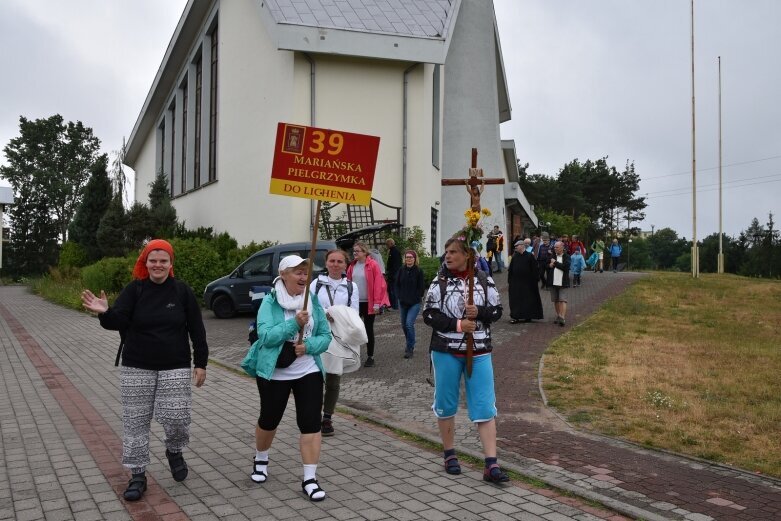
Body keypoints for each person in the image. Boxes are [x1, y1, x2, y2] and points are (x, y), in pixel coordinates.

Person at [80, 239, 207, 502]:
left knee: (177, 417)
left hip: (175, 365)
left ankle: (174, 450)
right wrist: (105, 312)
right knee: (135, 422)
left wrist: (201, 363)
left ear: (170, 264)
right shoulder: (135, 290)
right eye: (153, 260)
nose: (157, 265)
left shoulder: (182, 292)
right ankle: (138, 475)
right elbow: (117, 321)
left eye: (163, 260)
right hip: (137, 365)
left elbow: (197, 330)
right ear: (146, 263)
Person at [242, 255, 331, 502]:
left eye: (306, 272)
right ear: (283, 275)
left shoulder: (312, 300)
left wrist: (309, 346)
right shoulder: (270, 302)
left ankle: (310, 479)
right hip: (276, 371)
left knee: (311, 422)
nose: (304, 277)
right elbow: (267, 337)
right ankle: (261, 458)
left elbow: (326, 335)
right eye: (297, 272)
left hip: (308, 369)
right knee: (269, 419)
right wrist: (294, 324)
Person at [422, 237, 509, 484]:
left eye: (453, 252)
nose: (447, 256)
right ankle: (450, 454)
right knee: (446, 403)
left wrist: (479, 312)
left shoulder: (482, 279)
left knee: (484, 406)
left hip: (479, 351)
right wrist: (459, 324)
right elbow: (429, 315)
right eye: (446, 252)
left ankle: (491, 464)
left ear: (467, 255)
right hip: (446, 351)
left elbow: (497, 311)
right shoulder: (439, 282)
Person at [310, 249, 359, 437]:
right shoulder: (316, 284)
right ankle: (313, 414)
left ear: (345, 265)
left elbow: (352, 312)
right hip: (318, 335)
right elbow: (311, 306)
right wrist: (325, 314)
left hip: (338, 337)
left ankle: (327, 417)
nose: (335, 264)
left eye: (339, 261)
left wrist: (336, 315)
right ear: (326, 263)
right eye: (332, 261)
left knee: (333, 379)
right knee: (314, 378)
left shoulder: (351, 287)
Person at [347, 241, 390, 367]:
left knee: (368, 329)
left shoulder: (372, 265)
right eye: (354, 251)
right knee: (354, 328)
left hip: (369, 303)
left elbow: (378, 285)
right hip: (355, 303)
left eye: (357, 251)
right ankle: (353, 354)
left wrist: (377, 303)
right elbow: (348, 284)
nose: (355, 253)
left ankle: (370, 356)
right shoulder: (352, 266)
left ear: (364, 252)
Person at [395, 249, 425, 359]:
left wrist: (416, 296)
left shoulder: (418, 271)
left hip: (414, 303)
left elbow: (421, 288)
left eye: (411, 257)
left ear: (415, 259)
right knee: (403, 325)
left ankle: (410, 347)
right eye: (407, 257)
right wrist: (399, 296)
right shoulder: (401, 270)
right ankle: (410, 342)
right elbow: (396, 284)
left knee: (409, 324)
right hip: (402, 302)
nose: (408, 259)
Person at [507, 239, 543, 323]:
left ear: (522, 246)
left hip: (528, 283)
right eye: (515, 246)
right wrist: (510, 280)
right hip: (516, 283)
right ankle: (515, 316)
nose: (515, 247)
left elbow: (535, 269)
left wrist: (535, 280)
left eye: (517, 246)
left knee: (528, 299)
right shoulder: (515, 256)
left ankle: (528, 316)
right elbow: (511, 270)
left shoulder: (530, 256)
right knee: (516, 300)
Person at [547, 241, 571, 326]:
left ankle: (562, 318)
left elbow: (565, 267)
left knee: (562, 300)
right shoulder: (552, 256)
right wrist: (549, 266)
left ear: (562, 247)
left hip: (562, 282)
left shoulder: (567, 257)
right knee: (556, 300)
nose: (555, 249)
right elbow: (546, 266)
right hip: (553, 282)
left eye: (557, 247)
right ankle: (558, 315)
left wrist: (555, 263)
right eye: (554, 247)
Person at [385, 238, 402, 309]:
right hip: (394, 273)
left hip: (394, 274)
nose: (386, 246)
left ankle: (395, 305)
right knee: (391, 290)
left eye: (387, 244)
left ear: (391, 243)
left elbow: (395, 264)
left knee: (393, 290)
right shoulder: (393, 251)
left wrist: (392, 274)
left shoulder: (394, 252)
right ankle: (393, 304)